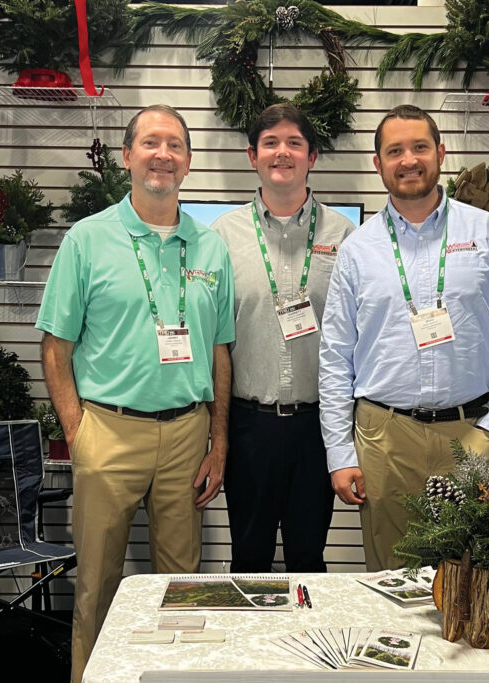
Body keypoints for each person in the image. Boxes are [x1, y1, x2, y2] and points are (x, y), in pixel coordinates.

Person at [36, 105, 235, 683]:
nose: (163, 155)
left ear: (189, 163)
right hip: (109, 430)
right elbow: (56, 346)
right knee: (97, 583)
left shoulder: (210, 247)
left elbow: (220, 353)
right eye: (151, 142)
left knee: (183, 587)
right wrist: (79, 432)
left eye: (175, 145)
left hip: (187, 435)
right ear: (127, 157)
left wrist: (217, 444)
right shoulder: (88, 240)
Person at [318, 104, 489, 572]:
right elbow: (336, 356)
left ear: (440, 152)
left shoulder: (488, 234)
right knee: (392, 576)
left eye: (419, 147)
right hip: (384, 438)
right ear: (378, 164)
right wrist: (340, 453)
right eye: (394, 151)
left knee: (469, 574)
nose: (408, 160)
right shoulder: (357, 250)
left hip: (469, 432)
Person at [211, 103, 354, 572]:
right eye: (270, 143)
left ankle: (307, 645)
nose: (282, 153)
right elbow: (213, 342)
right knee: (247, 559)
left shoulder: (347, 236)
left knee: (309, 560)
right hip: (249, 427)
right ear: (253, 156)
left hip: (319, 427)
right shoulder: (221, 237)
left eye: (294, 143)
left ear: (312, 156)